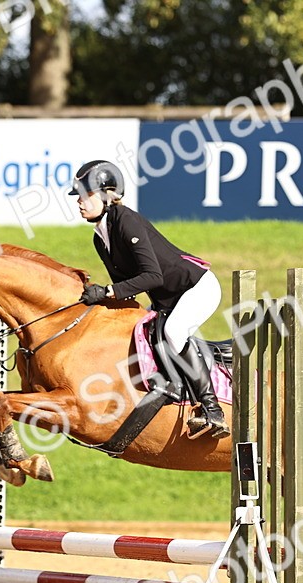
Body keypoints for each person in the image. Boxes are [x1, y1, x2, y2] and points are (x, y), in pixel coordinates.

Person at [69, 159, 230, 439]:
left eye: (87, 195)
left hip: (196, 288)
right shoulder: (100, 237)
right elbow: (126, 286)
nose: (80, 202)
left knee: (173, 331)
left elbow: (152, 276)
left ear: (108, 195)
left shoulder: (125, 221)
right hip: (167, 299)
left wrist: (107, 291)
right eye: (79, 197)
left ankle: (212, 409)